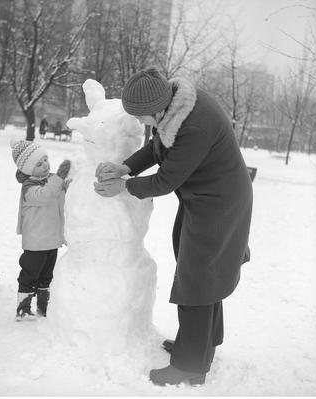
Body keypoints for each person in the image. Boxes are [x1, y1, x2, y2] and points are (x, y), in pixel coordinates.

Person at [94, 68, 253, 386]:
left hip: (219, 204)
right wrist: (126, 167)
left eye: (141, 118)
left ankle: (190, 365)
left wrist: (124, 187)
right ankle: (202, 344)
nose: (141, 124)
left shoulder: (194, 126)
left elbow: (166, 179)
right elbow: (157, 148)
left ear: (156, 108)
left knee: (198, 276)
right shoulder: (174, 107)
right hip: (204, 198)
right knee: (197, 267)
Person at [10, 139, 71, 321]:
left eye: (45, 159)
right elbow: (45, 196)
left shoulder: (51, 180)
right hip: (36, 242)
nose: (45, 165)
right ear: (28, 169)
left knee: (46, 277)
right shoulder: (29, 187)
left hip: (51, 240)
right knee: (30, 275)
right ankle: (23, 308)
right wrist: (59, 180)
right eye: (38, 163)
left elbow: (57, 197)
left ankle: (43, 307)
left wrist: (65, 188)